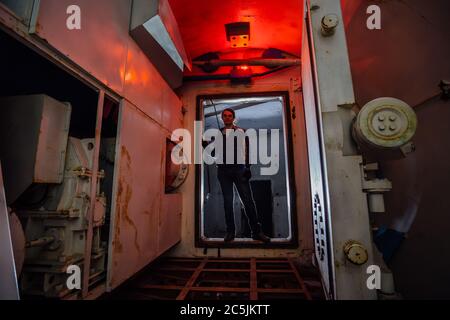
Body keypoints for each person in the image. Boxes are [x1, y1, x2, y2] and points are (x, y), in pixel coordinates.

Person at [215, 108, 271, 243]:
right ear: (222, 118)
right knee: (227, 202)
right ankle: (230, 232)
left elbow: (247, 149)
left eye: (230, 116)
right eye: (225, 116)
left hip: (239, 170)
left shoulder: (241, 132)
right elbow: (215, 153)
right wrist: (205, 146)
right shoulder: (218, 133)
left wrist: (247, 167)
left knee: (248, 202)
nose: (227, 118)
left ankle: (256, 232)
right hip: (223, 171)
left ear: (233, 118)